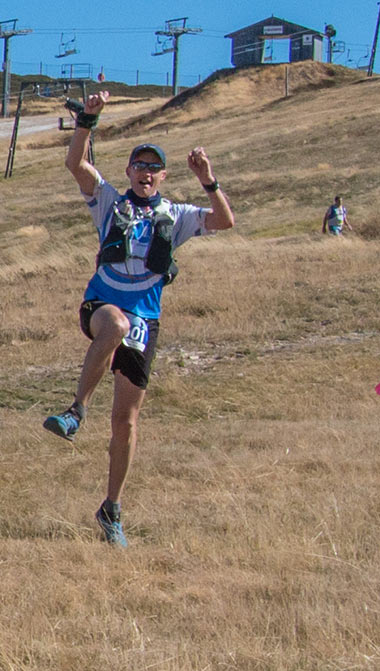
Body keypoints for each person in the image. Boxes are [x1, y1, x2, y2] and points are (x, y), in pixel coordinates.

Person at [39, 90, 235, 548]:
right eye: (139, 166)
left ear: (163, 175)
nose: (146, 173)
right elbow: (76, 165)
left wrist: (209, 180)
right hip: (102, 307)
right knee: (116, 327)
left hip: (147, 319)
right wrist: (88, 118)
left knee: (126, 422)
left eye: (153, 167)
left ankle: (111, 508)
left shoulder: (178, 214)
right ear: (128, 171)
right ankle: (75, 411)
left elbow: (225, 221)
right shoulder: (109, 202)